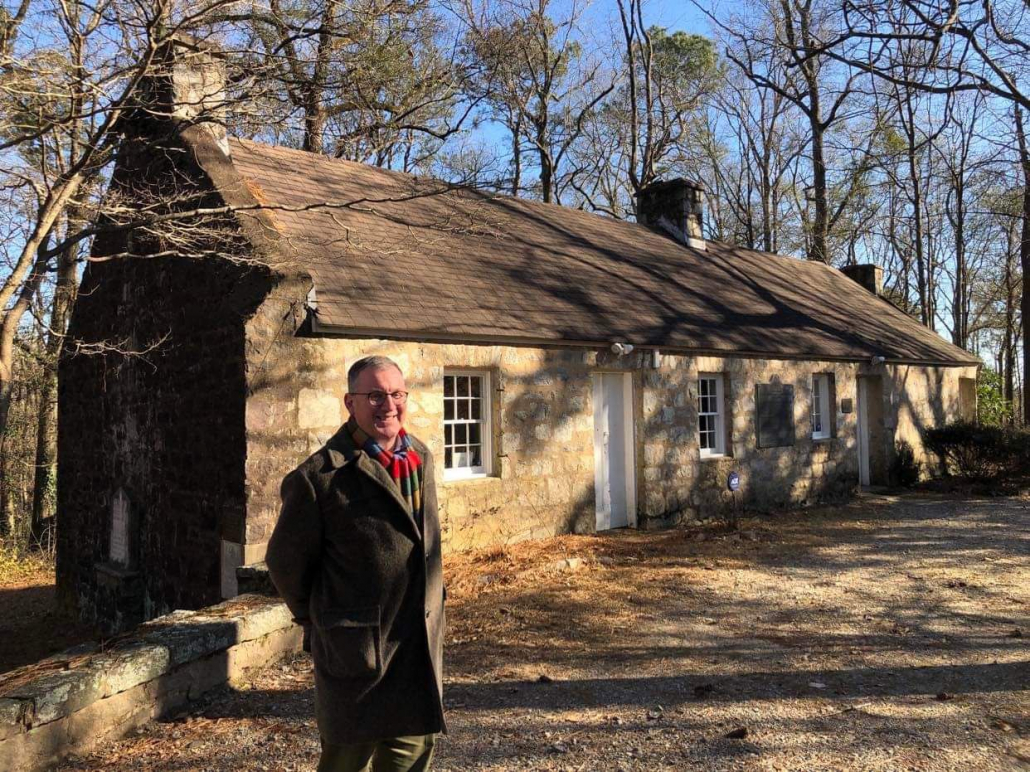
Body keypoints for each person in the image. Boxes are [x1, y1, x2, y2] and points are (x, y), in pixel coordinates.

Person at [266, 355, 445, 772]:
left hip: (417, 645)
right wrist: (318, 618)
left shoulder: (420, 457)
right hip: (356, 653)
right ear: (350, 403)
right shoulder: (317, 478)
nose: (388, 405)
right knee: (346, 762)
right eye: (375, 395)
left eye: (396, 394)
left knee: (412, 756)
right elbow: (284, 563)